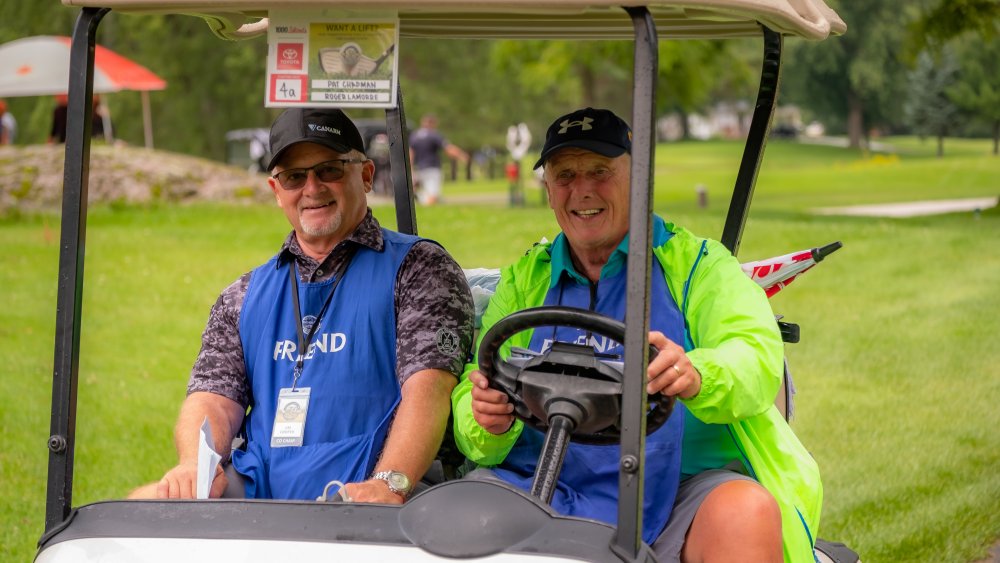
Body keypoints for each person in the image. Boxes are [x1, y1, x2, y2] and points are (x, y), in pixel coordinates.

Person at [452, 108, 822, 562]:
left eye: (600, 171)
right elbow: (475, 399)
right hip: (540, 482)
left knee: (744, 513)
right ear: (548, 189)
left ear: (639, 178)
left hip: (674, 493)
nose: (582, 189)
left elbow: (755, 359)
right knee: (452, 519)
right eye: (565, 174)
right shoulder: (525, 279)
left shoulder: (697, 265)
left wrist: (696, 373)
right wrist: (487, 420)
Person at [130, 107, 474, 503]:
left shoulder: (419, 269)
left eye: (329, 169)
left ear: (365, 175)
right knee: (143, 506)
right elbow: (212, 397)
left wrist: (389, 482)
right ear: (277, 192)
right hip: (263, 485)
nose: (312, 188)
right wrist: (195, 464)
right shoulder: (243, 296)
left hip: (367, 488)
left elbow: (428, 391)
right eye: (294, 176)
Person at [408, 114, 469, 205]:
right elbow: (448, 149)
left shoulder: (414, 136)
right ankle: (420, 198)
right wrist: (462, 155)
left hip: (420, 168)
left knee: (432, 193)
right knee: (433, 196)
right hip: (432, 168)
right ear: (433, 123)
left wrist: (410, 168)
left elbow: (411, 154)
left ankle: (419, 196)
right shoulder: (434, 135)